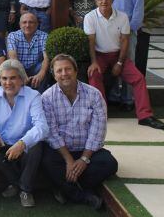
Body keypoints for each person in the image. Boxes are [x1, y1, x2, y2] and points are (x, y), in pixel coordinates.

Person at [41, 54, 118, 210]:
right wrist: (69, 160)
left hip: (87, 151)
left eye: (68, 69)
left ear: (76, 71)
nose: (64, 74)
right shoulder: (47, 98)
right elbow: (51, 133)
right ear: (54, 75)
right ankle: (83, 195)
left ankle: (65, 188)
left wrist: (84, 159)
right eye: (59, 70)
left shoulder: (94, 94)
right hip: (61, 153)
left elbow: (98, 129)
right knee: (47, 162)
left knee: (109, 163)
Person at [84, 0, 164, 129]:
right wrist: (94, 62)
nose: (104, 1)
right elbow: (90, 41)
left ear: (112, 1)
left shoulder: (122, 17)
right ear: (96, 1)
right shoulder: (90, 17)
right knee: (94, 74)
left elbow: (125, 41)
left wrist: (120, 62)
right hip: (100, 56)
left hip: (118, 55)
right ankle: (100, 114)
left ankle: (145, 116)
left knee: (139, 78)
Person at [0, 59, 48, 208]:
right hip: (4, 142)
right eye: (4, 78)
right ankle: (17, 183)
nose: (8, 82)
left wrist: (22, 143)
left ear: (22, 79)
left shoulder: (33, 96)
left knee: (36, 146)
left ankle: (25, 190)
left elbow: (42, 126)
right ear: (0, 80)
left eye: (13, 78)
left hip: (25, 143)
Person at [101, 0, 145, 108]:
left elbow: (138, 12)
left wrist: (128, 31)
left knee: (127, 64)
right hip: (108, 32)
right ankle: (114, 96)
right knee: (113, 62)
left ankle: (127, 99)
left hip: (128, 33)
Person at [7, 12, 49, 92]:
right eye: (24, 22)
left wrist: (41, 74)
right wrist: (22, 75)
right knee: (11, 66)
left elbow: (46, 58)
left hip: (35, 68)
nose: (27, 25)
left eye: (31, 22)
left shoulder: (44, 36)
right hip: (19, 68)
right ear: (20, 24)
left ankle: (40, 96)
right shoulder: (12, 36)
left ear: (37, 24)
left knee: (43, 68)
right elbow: (13, 58)